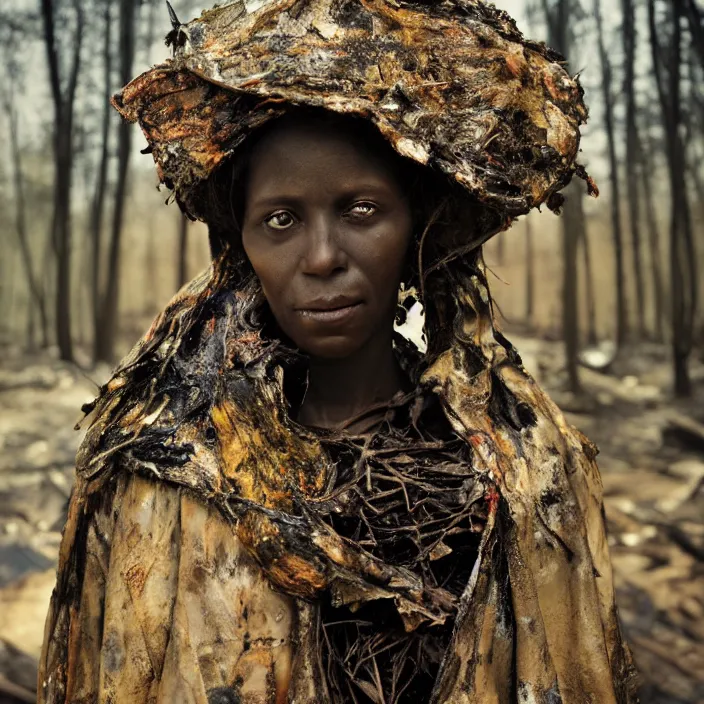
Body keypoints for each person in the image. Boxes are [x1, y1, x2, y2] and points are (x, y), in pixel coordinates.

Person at [39, 1, 638, 703]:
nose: (322, 258)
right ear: (243, 244)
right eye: (281, 220)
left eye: (361, 211)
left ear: (416, 223)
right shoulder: (156, 472)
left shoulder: (531, 473)